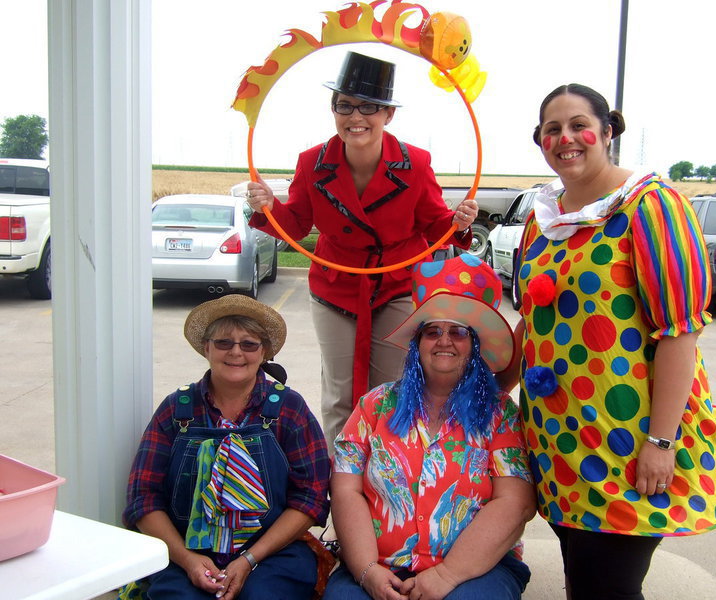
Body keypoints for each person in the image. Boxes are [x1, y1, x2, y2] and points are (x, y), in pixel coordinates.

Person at [498, 83, 716, 599]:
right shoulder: (541, 221)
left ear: (608, 132)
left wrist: (661, 442)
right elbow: (534, 320)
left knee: (609, 584)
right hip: (557, 439)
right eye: (552, 129)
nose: (566, 138)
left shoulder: (651, 207)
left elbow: (680, 334)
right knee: (582, 573)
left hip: (626, 439)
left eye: (578, 125)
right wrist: (497, 385)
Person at [244, 51, 478, 451]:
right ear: (333, 110)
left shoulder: (415, 164)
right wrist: (266, 206)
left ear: (388, 114)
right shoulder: (312, 163)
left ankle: (387, 478)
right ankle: (343, 482)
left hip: (397, 287)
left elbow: (436, 224)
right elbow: (296, 224)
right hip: (336, 287)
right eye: (345, 106)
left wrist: (459, 221)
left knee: (391, 390)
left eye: (369, 106)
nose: (356, 116)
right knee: (339, 393)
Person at [324, 255, 537, 600]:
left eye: (458, 332)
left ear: (475, 346)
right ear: (417, 344)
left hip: (476, 570)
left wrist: (447, 575)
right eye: (432, 331)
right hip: (379, 563)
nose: (444, 340)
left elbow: (516, 504)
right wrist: (366, 571)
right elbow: (346, 490)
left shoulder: (500, 414)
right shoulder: (374, 406)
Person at [123, 294, 331, 600]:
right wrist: (186, 559)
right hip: (185, 552)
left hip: (271, 553)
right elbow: (143, 497)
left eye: (249, 344)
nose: (236, 352)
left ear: (265, 353)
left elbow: (310, 499)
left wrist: (249, 559)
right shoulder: (176, 408)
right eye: (224, 343)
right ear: (206, 348)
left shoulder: (289, 407)